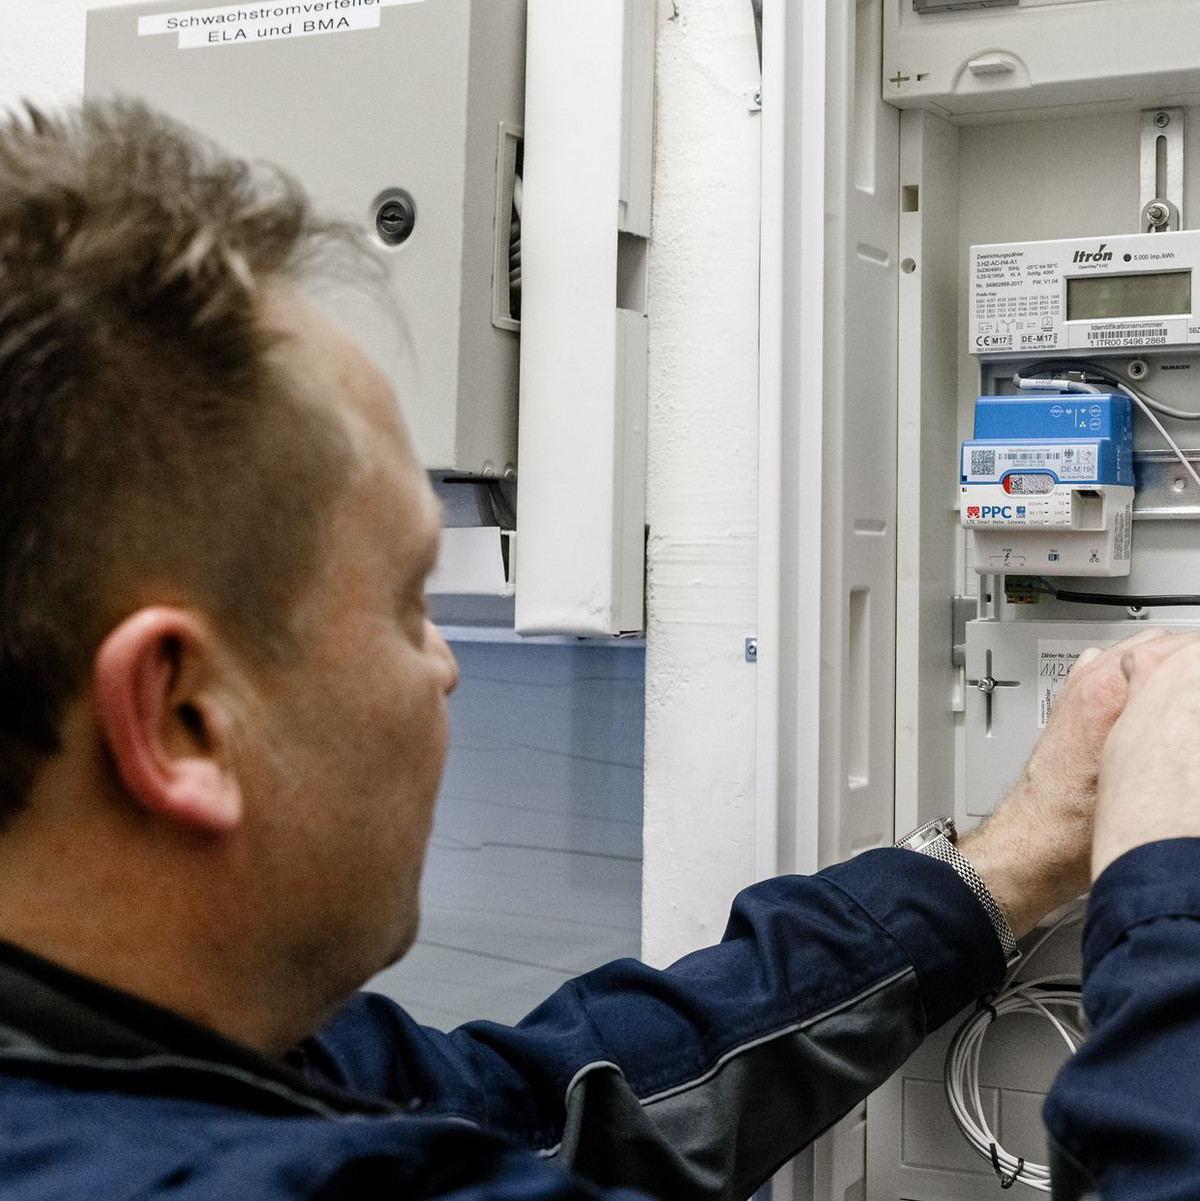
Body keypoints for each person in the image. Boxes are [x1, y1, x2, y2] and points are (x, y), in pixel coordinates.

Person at [0, 98, 1164, 1200]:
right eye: (407, 603)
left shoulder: (169, 1044)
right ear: (184, 718)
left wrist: (999, 867)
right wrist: (1169, 891)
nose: (445, 665)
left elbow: (551, 1105)